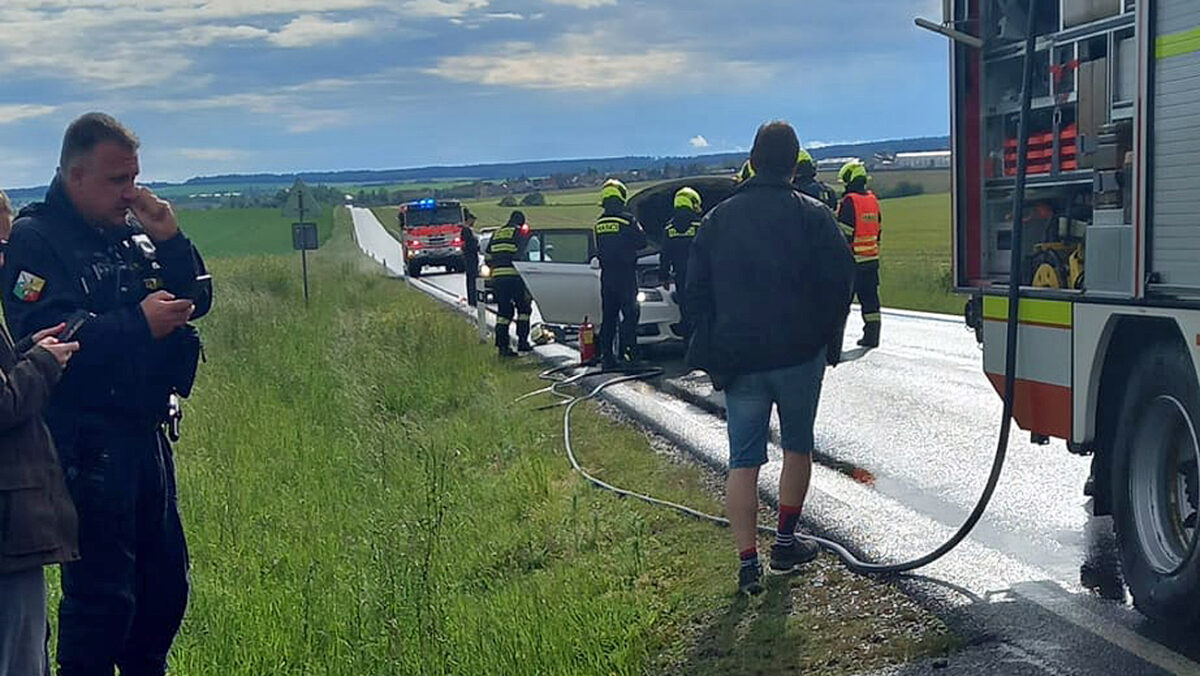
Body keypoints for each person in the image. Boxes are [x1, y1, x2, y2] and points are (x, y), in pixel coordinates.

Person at [1, 112, 213, 676]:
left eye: (135, 176)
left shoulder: (133, 230)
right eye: (118, 180)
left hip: (145, 433)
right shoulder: (37, 238)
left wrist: (170, 238)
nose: (132, 192)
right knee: (103, 600)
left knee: (164, 586)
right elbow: (44, 334)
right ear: (76, 175)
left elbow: (197, 298)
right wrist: (136, 324)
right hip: (87, 442)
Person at [687, 121, 854, 595]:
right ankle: (784, 543)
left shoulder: (717, 220)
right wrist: (826, 337)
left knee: (743, 461)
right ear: (795, 162)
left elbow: (694, 291)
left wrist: (713, 345)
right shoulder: (813, 215)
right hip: (800, 356)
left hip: (739, 360)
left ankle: (746, 566)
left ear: (753, 160)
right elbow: (842, 281)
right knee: (797, 448)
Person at [0, 188, 80, 676]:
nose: (4, 258)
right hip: (6, 536)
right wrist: (43, 365)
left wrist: (27, 349)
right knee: (20, 658)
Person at [594, 179, 646, 368]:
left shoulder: (599, 223)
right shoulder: (627, 219)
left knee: (609, 317)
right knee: (631, 315)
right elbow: (642, 242)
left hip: (607, 277)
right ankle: (630, 354)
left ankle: (607, 358)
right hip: (625, 276)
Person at [837, 160, 883, 348]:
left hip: (852, 261)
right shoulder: (873, 200)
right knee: (871, 300)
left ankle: (835, 344)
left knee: (841, 304)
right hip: (872, 260)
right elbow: (878, 230)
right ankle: (872, 337)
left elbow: (843, 234)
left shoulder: (850, 201)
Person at [484, 210, 533, 356]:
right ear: (521, 222)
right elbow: (527, 254)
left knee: (503, 312)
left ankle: (502, 348)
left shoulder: (496, 233)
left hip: (498, 279)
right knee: (523, 309)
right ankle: (523, 343)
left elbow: (487, 256)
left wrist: (496, 267)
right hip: (516, 277)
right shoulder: (520, 233)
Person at [659, 186, 702, 338]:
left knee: (685, 312)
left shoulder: (669, 229)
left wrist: (663, 276)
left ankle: (688, 349)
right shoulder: (701, 225)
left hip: (681, 277)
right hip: (701, 276)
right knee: (703, 313)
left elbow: (664, 255)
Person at [461, 207, 480, 307]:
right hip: (470, 257)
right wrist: (477, 246)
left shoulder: (467, 230)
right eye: (473, 221)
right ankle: (473, 300)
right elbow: (470, 245)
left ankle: (473, 299)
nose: (474, 223)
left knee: (472, 279)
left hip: (470, 257)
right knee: (472, 279)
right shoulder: (466, 230)